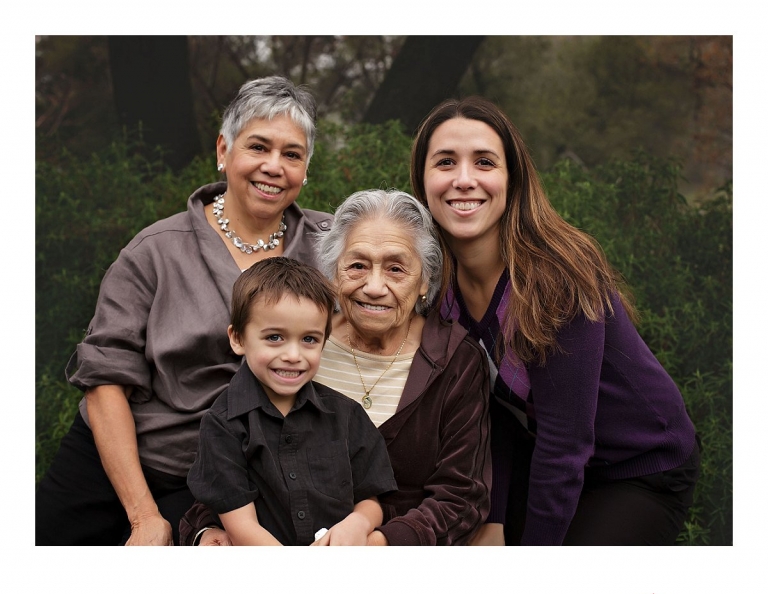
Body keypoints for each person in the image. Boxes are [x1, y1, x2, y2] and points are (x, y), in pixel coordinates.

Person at [36, 76, 333, 546]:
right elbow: (105, 378)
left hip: (226, 475)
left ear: (306, 168)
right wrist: (141, 516)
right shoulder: (153, 250)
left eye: (292, 154)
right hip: (118, 454)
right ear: (223, 149)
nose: (274, 167)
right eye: (258, 147)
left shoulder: (329, 246)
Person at [409, 96, 701, 546]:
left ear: (512, 179)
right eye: (445, 162)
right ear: (423, 179)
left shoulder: (558, 279)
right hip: (543, 454)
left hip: (638, 467)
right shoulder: (437, 287)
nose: (464, 180)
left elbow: (566, 447)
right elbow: (494, 416)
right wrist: (495, 517)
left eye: (484, 162)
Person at [180, 189, 492, 546]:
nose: (374, 287)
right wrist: (206, 531)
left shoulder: (455, 360)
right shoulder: (297, 347)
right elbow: (226, 462)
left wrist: (378, 543)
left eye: (396, 268)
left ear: (424, 281)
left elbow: (462, 496)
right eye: (357, 265)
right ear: (333, 273)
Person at [187, 258, 396, 545]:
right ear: (237, 338)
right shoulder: (223, 425)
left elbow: (370, 498)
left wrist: (359, 522)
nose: (293, 355)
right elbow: (241, 527)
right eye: (275, 337)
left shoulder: (346, 416)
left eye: (309, 340)